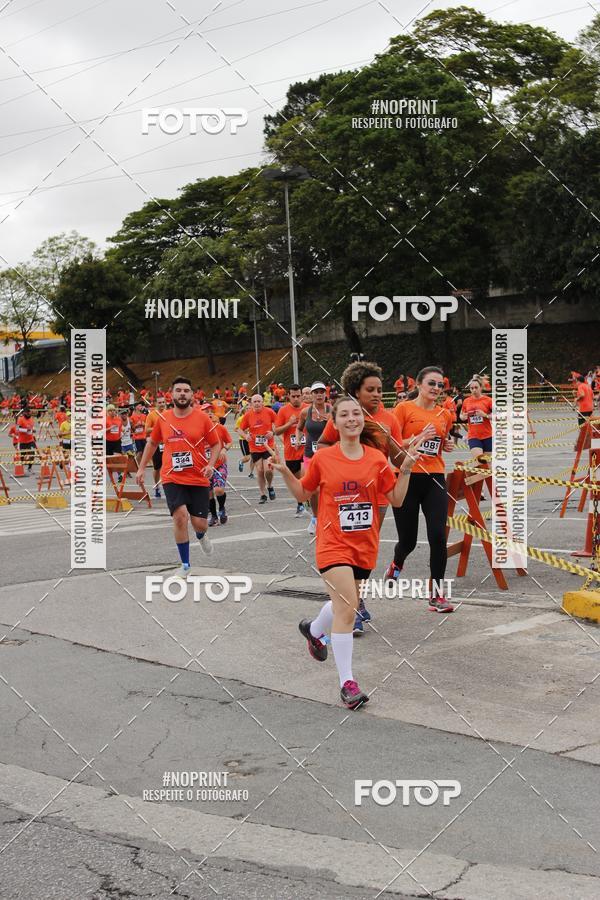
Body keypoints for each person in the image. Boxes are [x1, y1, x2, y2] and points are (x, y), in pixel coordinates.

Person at [268, 396, 428, 709]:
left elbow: (395, 499)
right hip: (332, 544)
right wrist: (285, 470)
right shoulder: (324, 458)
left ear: (362, 420)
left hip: (364, 547)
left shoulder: (376, 458)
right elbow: (303, 492)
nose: (351, 418)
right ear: (335, 422)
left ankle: (314, 630)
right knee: (348, 607)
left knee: (343, 604)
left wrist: (406, 468)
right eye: (344, 414)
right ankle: (348, 684)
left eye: (356, 413)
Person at [317, 361, 405, 632]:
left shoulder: (389, 420)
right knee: (346, 547)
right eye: (371, 390)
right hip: (345, 495)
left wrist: (405, 449)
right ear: (357, 391)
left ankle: (357, 599)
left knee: (365, 548)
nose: (377, 394)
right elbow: (322, 444)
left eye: (380, 389)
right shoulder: (346, 416)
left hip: (376, 495)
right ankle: (354, 606)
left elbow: (399, 458)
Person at [387, 366, 456, 614]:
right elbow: (393, 446)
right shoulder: (403, 409)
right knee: (409, 541)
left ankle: (436, 595)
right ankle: (397, 562)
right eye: (432, 383)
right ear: (418, 384)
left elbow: (439, 442)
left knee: (438, 535)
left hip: (434, 476)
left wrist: (445, 444)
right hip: (406, 477)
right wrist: (415, 440)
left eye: (440, 385)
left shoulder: (444, 414)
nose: (436, 389)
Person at [136, 378, 221, 574]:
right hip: (172, 477)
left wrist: (210, 465)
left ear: (192, 395)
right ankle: (185, 565)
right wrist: (141, 468)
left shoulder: (202, 418)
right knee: (180, 517)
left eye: (186, 391)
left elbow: (216, 444)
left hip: (198, 477)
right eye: (179, 390)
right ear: (171, 394)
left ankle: (201, 536)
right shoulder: (163, 418)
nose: (182, 393)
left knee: (199, 523)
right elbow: (152, 443)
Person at [296, 382, 332, 534]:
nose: (319, 395)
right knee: (313, 490)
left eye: (321, 392)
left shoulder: (333, 410)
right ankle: (316, 519)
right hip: (310, 454)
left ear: (325, 394)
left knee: (330, 488)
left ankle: (330, 518)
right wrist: (298, 439)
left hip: (330, 455)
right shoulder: (306, 412)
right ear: (311, 395)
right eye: (316, 392)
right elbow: (299, 428)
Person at [237, 394, 277, 504]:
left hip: (268, 446)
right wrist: (245, 436)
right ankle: (263, 494)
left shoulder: (269, 412)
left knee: (268, 470)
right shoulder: (248, 415)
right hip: (254, 448)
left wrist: (272, 432)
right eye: (255, 402)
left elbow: (277, 424)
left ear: (262, 402)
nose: (257, 403)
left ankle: (269, 486)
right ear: (251, 404)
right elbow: (239, 430)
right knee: (259, 471)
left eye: (259, 401)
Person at [273, 384, 306, 517]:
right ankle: (300, 503)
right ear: (288, 397)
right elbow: (276, 431)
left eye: (299, 396)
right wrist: (289, 423)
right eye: (294, 396)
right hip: (291, 451)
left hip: (306, 449)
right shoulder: (283, 411)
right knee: (296, 480)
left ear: (302, 396)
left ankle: (308, 501)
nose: (296, 399)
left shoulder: (308, 409)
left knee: (305, 475)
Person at [203, 405, 233, 526]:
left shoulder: (220, 428)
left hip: (219, 464)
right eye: (206, 412)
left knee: (218, 490)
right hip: (205, 466)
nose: (210, 414)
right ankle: (214, 516)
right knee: (209, 493)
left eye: (212, 412)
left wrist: (224, 449)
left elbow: (230, 441)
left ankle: (221, 508)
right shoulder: (198, 430)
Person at [460, 378, 493, 459]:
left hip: (487, 436)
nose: (474, 390)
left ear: (481, 387)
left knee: (487, 465)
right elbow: (461, 415)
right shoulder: (466, 401)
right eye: (472, 388)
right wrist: (462, 417)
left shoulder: (488, 400)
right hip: (473, 436)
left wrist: (485, 415)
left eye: (476, 387)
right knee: (480, 460)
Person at [144, 396, 167, 499]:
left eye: (163, 402)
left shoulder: (168, 413)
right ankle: (157, 486)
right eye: (160, 402)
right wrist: (157, 427)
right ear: (156, 404)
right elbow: (147, 429)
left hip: (167, 443)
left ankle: (168, 487)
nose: (162, 404)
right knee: (157, 468)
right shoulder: (152, 415)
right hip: (157, 444)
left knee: (168, 466)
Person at [16, 407, 36, 472]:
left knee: (33, 453)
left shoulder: (31, 419)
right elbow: (18, 429)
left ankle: (30, 467)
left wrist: (33, 430)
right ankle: (21, 467)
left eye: (30, 413)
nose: (29, 414)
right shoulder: (20, 419)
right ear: (24, 413)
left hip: (30, 440)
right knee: (23, 455)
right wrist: (27, 430)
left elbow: (32, 427)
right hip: (22, 441)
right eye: (28, 413)